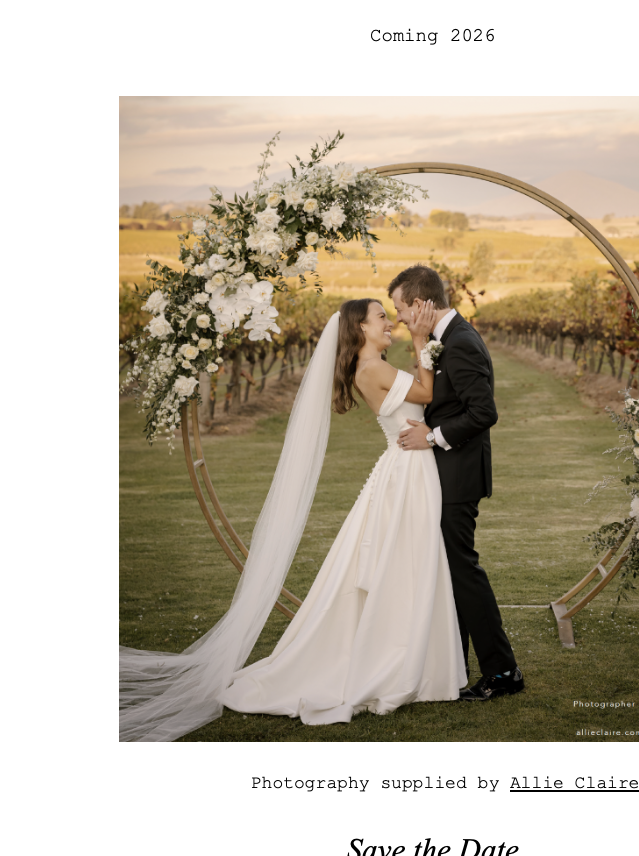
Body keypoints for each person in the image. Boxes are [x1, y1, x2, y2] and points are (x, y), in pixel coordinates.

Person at [119, 297, 466, 740]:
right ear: (359, 329)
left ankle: (416, 654)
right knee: (409, 558)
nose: (388, 323)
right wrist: (422, 340)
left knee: (410, 558)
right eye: (380, 317)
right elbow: (426, 394)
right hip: (407, 470)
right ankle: (407, 658)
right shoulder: (373, 368)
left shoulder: (373, 365)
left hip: (408, 467)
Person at [388, 265, 524, 702]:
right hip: (448, 474)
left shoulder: (461, 343)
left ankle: (503, 671)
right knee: (451, 572)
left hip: (458, 476)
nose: (401, 319)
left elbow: (483, 412)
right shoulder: (445, 339)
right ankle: (457, 666)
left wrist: (430, 437)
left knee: (463, 571)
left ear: (420, 303)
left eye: (401, 309)